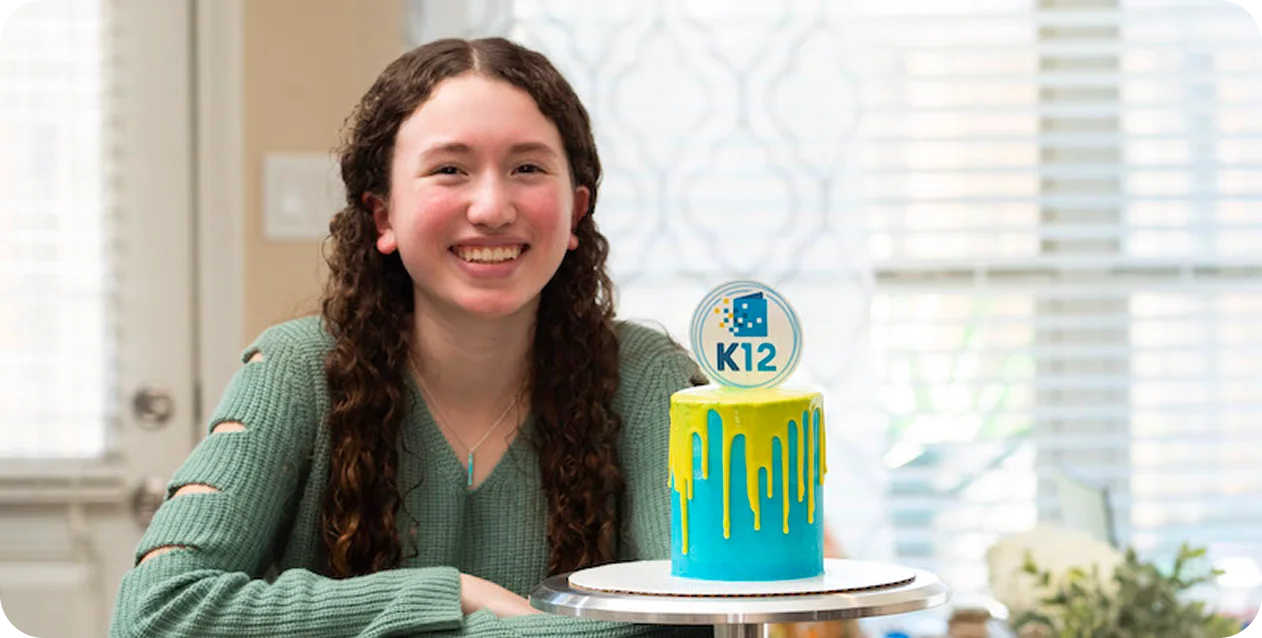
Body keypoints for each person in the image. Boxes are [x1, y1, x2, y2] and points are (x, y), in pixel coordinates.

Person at [109, 37, 710, 637]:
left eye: (527, 167)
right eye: (450, 169)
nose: (492, 207)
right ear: (384, 216)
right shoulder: (294, 370)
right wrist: (446, 595)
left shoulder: (648, 377)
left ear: (576, 212)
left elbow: (696, 621)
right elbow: (157, 613)